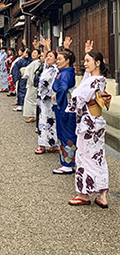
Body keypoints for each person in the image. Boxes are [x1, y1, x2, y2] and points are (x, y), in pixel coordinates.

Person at [67, 42, 111, 207]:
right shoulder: (98, 79)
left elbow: (78, 97)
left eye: (88, 60)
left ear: (97, 63)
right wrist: (87, 52)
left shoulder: (94, 81)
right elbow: (85, 84)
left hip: (88, 125)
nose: (84, 63)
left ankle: (84, 194)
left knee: (85, 157)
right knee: (98, 157)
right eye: (84, 60)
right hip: (96, 123)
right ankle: (103, 195)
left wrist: (72, 98)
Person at [52, 46, 77, 174]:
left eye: (60, 59)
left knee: (65, 132)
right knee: (69, 132)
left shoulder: (65, 74)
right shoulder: (68, 71)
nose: (58, 61)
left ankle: (67, 163)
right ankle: (71, 161)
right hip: (68, 106)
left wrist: (57, 99)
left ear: (67, 60)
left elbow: (62, 89)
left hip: (64, 106)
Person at [35, 50, 59, 154]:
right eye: (47, 56)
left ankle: (46, 145)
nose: (48, 58)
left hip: (48, 97)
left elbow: (45, 83)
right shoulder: (48, 68)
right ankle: (47, 144)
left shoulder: (55, 70)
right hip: (45, 99)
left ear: (55, 59)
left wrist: (44, 91)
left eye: (51, 56)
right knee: (46, 121)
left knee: (49, 121)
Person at [23, 49, 41, 122]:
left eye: (35, 53)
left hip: (33, 83)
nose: (33, 54)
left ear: (39, 55)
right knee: (30, 98)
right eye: (33, 52)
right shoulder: (33, 62)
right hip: (31, 82)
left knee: (30, 98)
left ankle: (32, 115)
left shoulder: (37, 63)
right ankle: (32, 114)